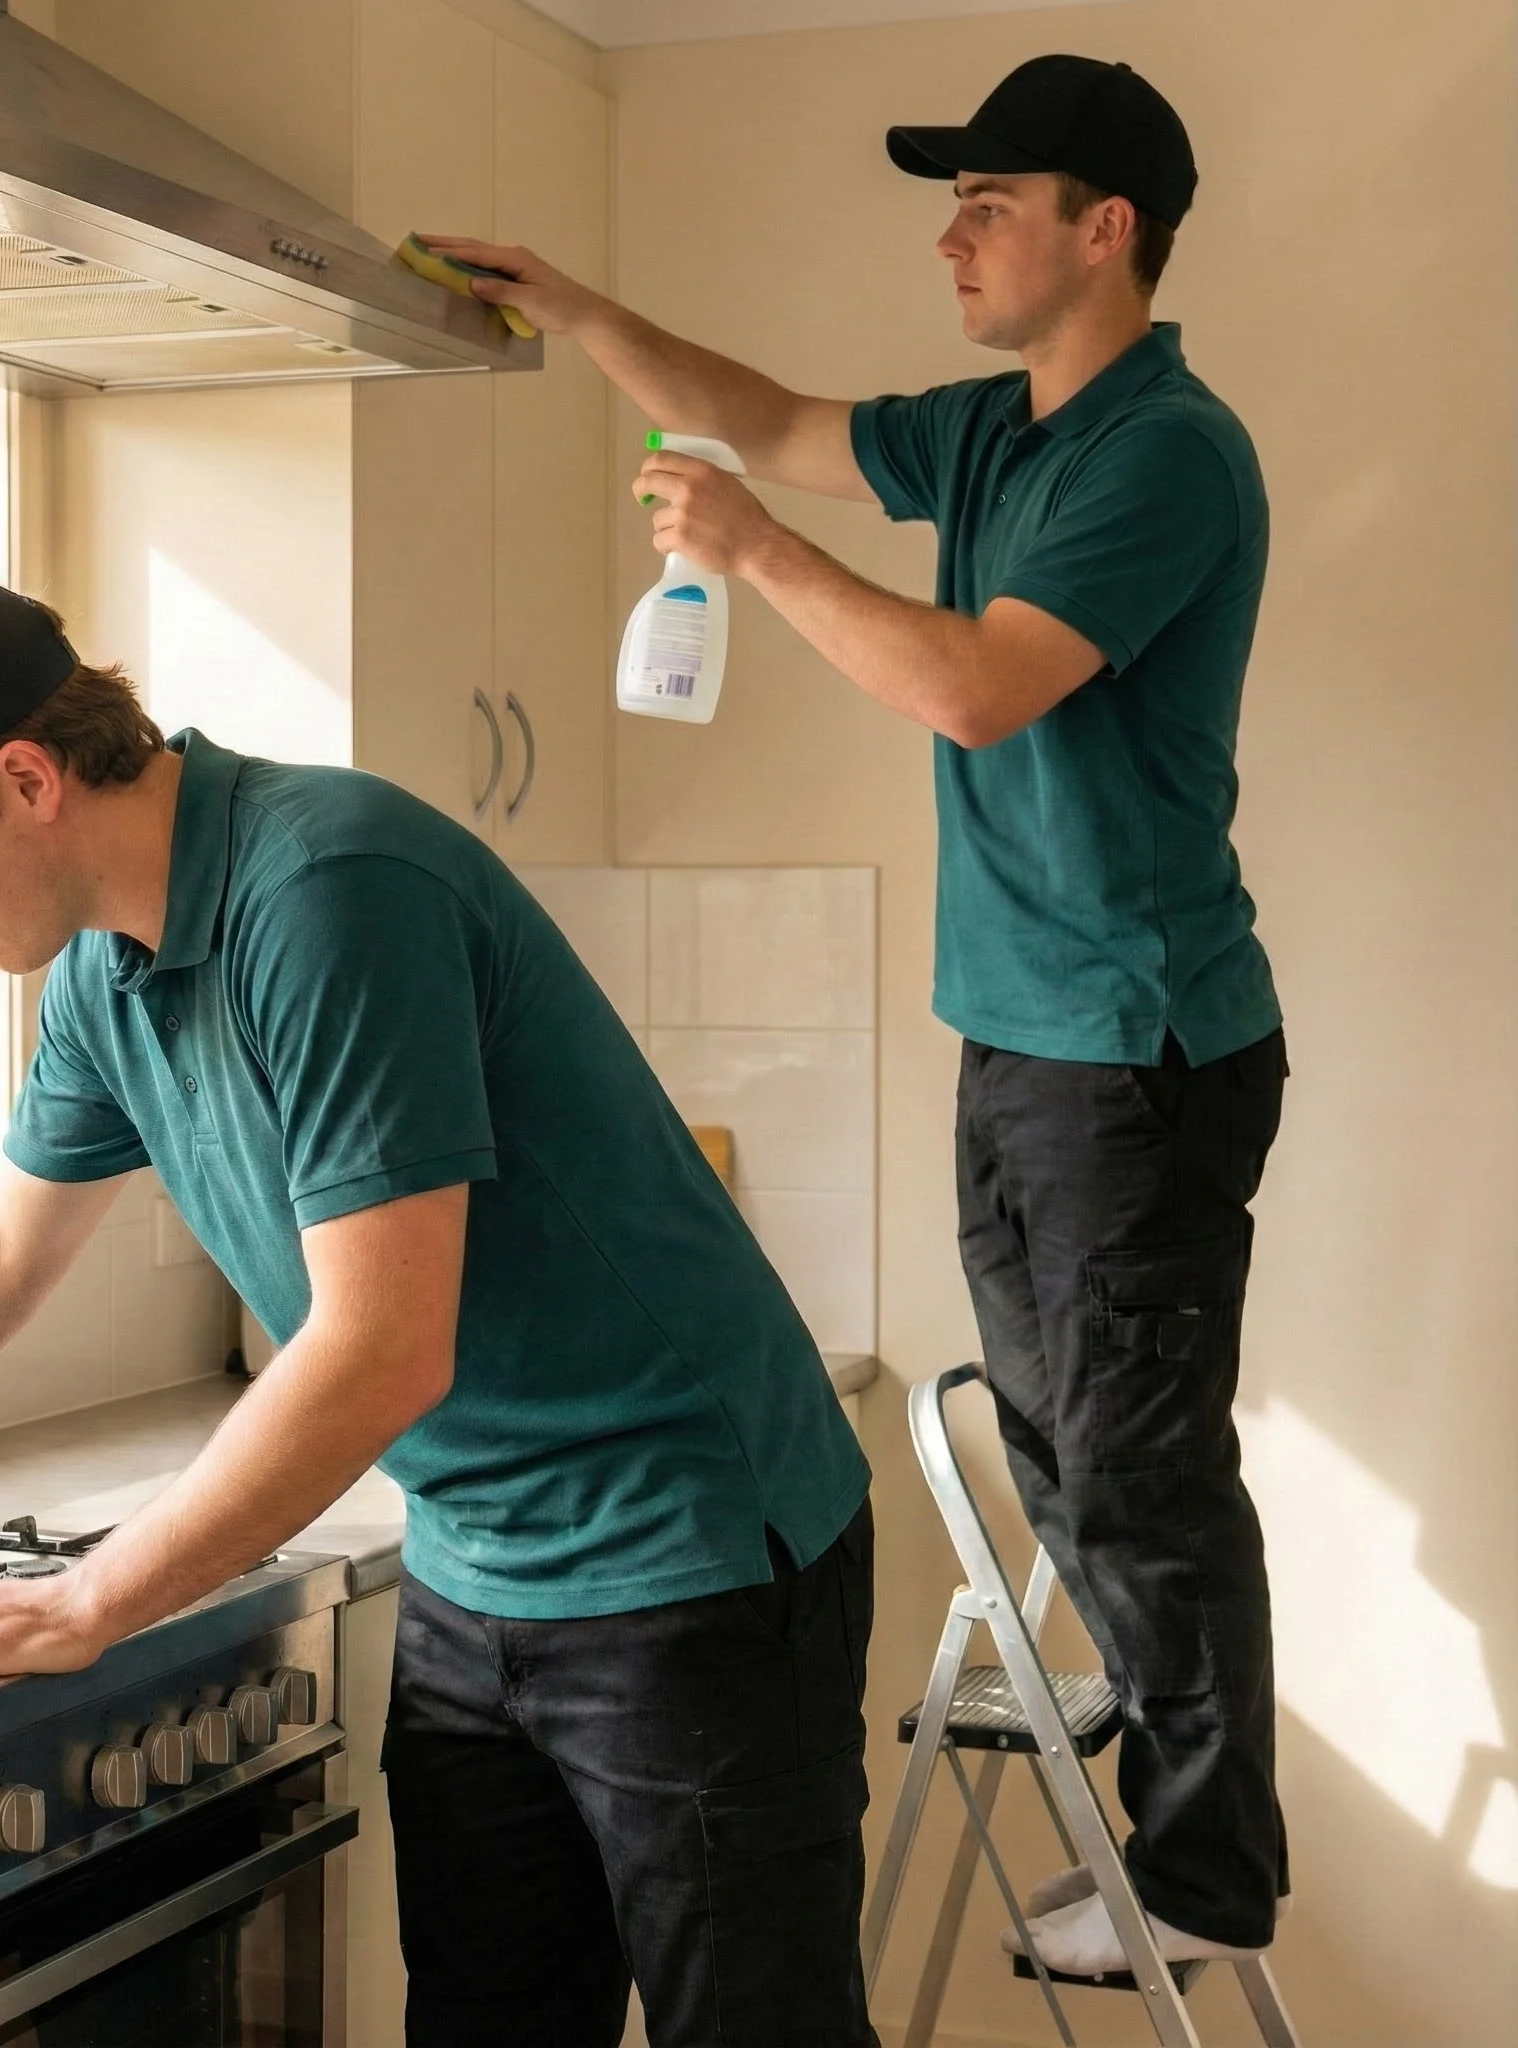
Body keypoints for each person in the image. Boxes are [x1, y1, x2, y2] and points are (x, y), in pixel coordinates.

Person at [0, 571, 880, 2047]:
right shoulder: (105, 973)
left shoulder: (328, 890)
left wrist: (89, 1601)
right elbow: (0, 1246)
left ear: (29, 780)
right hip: (477, 1558)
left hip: (683, 1551)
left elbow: (380, 1347)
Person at [424, 50, 1288, 1978]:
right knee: (1064, 1447)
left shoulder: (1164, 452)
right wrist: (577, 308)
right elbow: (762, 416)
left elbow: (978, 685)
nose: (950, 236)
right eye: (951, 203)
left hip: (1137, 1050)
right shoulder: (995, 434)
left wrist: (752, 551)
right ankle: (1155, 1731)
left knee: (1138, 1470)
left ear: (1106, 230)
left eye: (989, 203)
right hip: (1025, 1036)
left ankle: (1204, 1880)